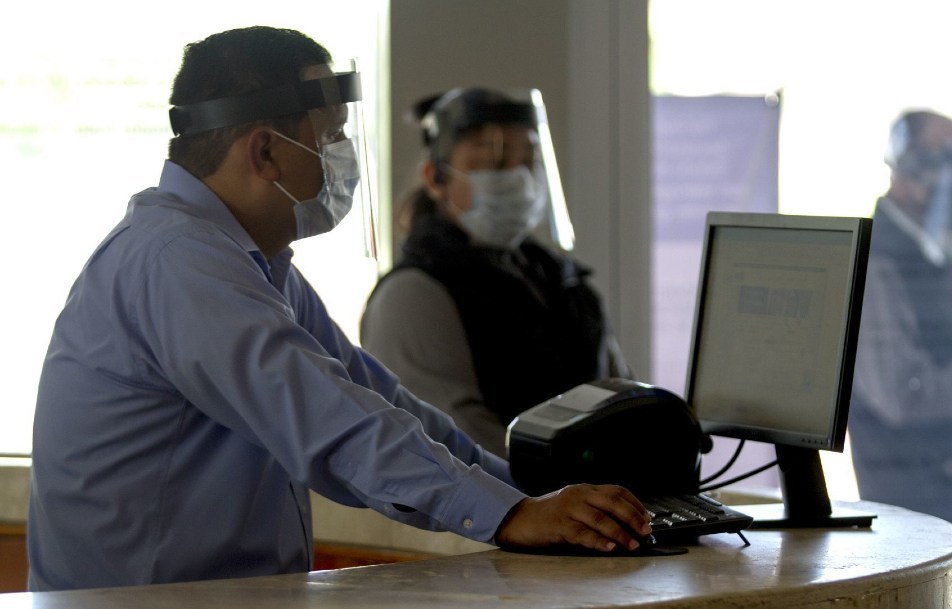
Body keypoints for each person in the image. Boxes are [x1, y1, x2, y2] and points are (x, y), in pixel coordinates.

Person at [27, 27, 652, 592]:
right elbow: (332, 422)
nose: (344, 157)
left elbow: (377, 399)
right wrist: (512, 516)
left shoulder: (251, 264)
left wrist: (528, 494)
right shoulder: (178, 261)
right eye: (329, 138)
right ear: (264, 153)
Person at [360, 88, 632, 455]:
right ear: (435, 178)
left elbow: (622, 396)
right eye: (495, 163)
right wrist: (569, 488)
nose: (517, 179)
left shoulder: (563, 280)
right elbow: (458, 442)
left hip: (596, 502)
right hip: (510, 508)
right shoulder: (414, 294)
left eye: (528, 162)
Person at [847, 109, 952, 608]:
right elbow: (901, 394)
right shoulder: (882, 260)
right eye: (944, 165)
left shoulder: (927, 253)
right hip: (922, 514)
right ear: (902, 172)